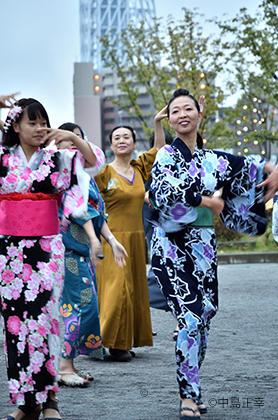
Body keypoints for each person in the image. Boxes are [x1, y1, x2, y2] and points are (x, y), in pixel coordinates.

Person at [150, 88, 278, 419]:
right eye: (175, 110)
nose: (182, 114)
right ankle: (188, 396)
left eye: (187, 109)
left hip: (203, 244)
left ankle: (192, 383)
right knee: (190, 317)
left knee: (205, 314)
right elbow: (162, 192)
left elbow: (248, 166)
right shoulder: (165, 155)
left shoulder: (214, 160)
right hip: (171, 244)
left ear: (198, 114)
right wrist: (203, 200)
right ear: (169, 118)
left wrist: (272, 169)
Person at [0, 98, 105, 420]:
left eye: (43, 122)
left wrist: (71, 138)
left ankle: (50, 402)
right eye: (31, 122)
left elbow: (94, 162)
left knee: (45, 322)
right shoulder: (3, 160)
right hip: (9, 253)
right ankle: (25, 402)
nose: (38, 128)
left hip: (46, 250)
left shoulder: (58, 158)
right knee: (15, 327)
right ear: (15, 125)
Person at [56, 122, 127, 387]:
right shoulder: (62, 175)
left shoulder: (86, 177)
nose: (73, 143)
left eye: (78, 138)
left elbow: (99, 213)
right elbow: (78, 211)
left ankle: (69, 365)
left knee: (86, 309)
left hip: (83, 255)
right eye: (67, 139)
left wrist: (111, 240)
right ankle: (64, 367)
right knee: (80, 309)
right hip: (69, 255)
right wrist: (97, 239)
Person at [94, 123, 165, 361]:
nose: (122, 140)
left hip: (136, 238)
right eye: (116, 137)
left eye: (127, 136)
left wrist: (157, 123)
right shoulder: (104, 172)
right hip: (112, 239)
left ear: (134, 143)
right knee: (117, 291)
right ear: (111, 144)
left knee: (133, 290)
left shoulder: (140, 168)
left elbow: (160, 148)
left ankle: (122, 341)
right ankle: (109, 344)